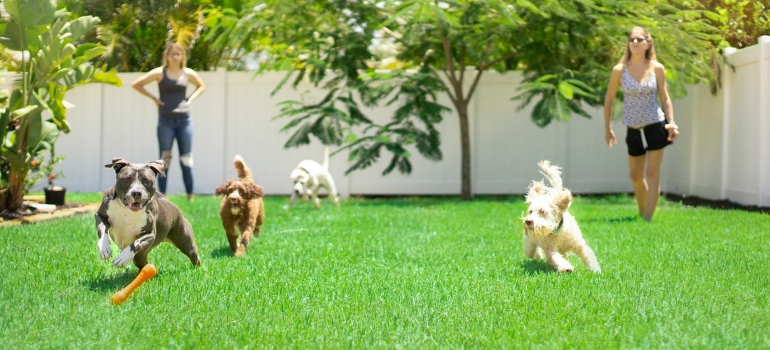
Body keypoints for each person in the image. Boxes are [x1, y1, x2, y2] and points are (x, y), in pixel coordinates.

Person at [604, 27, 679, 222]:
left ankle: (647, 218)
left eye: (639, 39)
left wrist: (671, 123)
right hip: (633, 126)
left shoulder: (657, 68)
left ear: (648, 43)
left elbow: (665, 98)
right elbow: (609, 100)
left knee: (652, 173)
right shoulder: (619, 70)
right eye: (632, 39)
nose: (635, 43)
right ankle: (642, 210)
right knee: (635, 176)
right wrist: (608, 128)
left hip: (655, 124)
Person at [132, 43, 205, 201]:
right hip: (165, 120)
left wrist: (190, 99)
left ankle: (190, 196)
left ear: (182, 56)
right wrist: (154, 99)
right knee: (164, 160)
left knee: (186, 159)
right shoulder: (160, 73)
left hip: (184, 120)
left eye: (179, 53)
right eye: (172, 53)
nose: (175, 56)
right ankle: (162, 196)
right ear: (167, 56)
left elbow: (201, 86)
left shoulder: (187, 73)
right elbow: (137, 84)